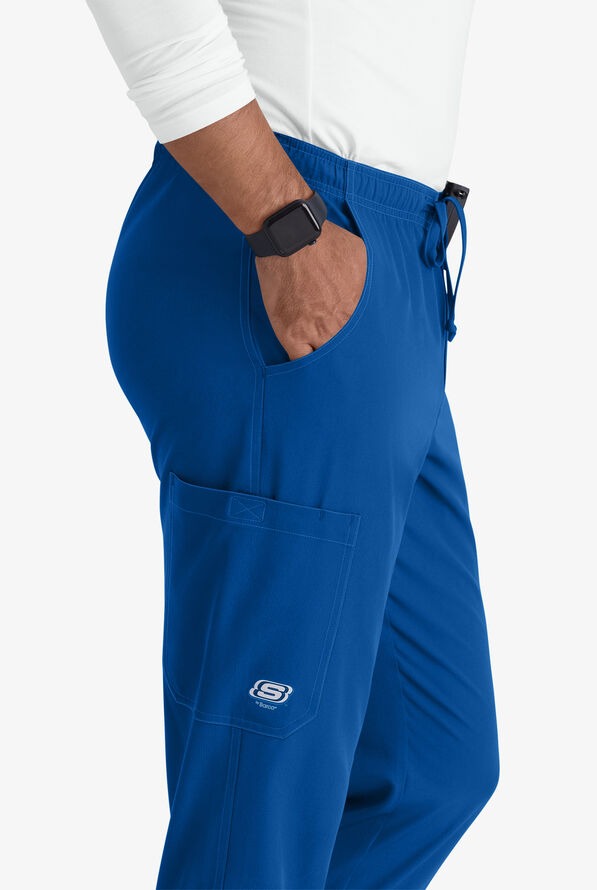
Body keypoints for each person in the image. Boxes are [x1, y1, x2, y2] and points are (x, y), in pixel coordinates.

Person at [84, 1, 500, 887]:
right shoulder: (289, 233)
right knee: (257, 809)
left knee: (429, 766)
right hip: (282, 233)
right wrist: (285, 224)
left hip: (394, 263)